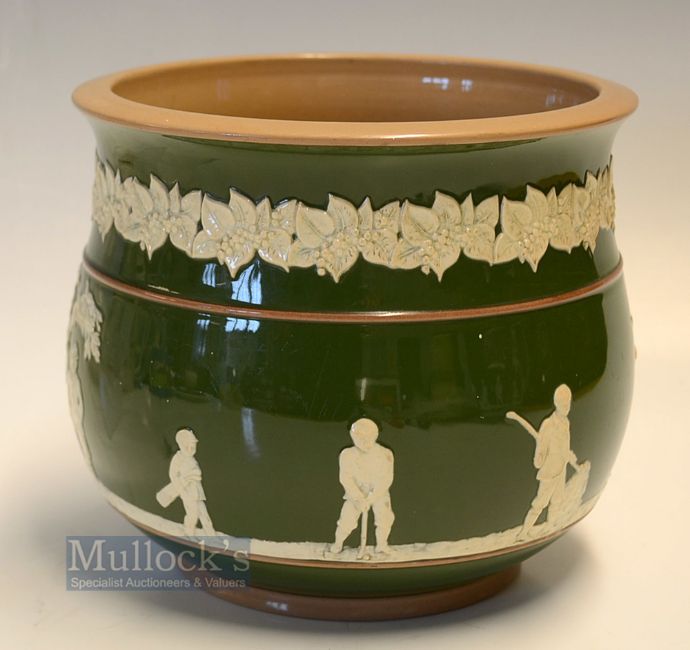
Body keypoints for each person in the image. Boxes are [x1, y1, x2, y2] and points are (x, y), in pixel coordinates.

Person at [506, 384, 579, 538]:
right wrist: (539, 460)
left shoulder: (565, 422)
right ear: (556, 403)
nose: (566, 408)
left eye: (568, 404)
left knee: (557, 500)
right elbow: (541, 447)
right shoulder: (548, 424)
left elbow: (565, 445)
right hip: (550, 470)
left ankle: (550, 527)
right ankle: (523, 532)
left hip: (561, 467)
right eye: (563, 404)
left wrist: (568, 455)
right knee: (540, 503)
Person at [329, 418, 395, 556]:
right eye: (359, 438)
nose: (364, 442)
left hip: (378, 493)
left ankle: (382, 545)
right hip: (355, 493)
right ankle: (338, 543)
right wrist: (358, 498)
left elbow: (386, 479)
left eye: (368, 438)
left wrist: (372, 498)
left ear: (375, 435)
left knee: (385, 518)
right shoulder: (347, 454)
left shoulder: (385, 454)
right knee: (346, 521)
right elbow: (345, 478)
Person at [156, 428, 215, 537]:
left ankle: (211, 536)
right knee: (193, 515)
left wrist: (196, 474)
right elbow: (173, 475)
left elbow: (196, 473)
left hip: (197, 491)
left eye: (193, 446)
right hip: (187, 491)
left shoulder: (192, 459)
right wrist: (182, 488)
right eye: (187, 446)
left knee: (204, 514)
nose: (190, 449)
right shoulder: (178, 458)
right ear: (181, 445)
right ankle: (188, 534)